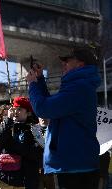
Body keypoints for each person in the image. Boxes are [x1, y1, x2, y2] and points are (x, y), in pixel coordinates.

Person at [26, 47, 101, 189]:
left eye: (67, 60)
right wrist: (40, 80)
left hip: (73, 166)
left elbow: (44, 109)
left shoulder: (79, 87)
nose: (63, 64)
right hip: (76, 163)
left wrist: (33, 85)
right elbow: (52, 108)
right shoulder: (80, 85)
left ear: (80, 63)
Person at [0, 97, 42, 189]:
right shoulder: (3, 127)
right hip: (3, 178)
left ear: (28, 113)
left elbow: (38, 153)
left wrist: (16, 148)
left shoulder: (35, 130)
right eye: (14, 109)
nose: (15, 112)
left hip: (25, 180)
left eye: (19, 109)